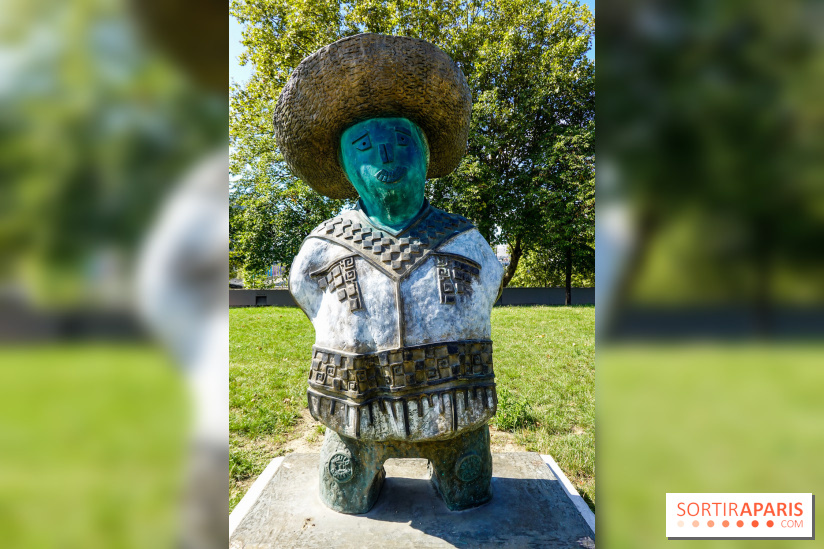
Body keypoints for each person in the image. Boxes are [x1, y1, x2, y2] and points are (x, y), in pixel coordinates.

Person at [275, 33, 503, 512]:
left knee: (470, 491)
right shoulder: (321, 248)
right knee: (344, 495)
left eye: (402, 140)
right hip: (355, 413)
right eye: (365, 144)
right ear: (345, 162)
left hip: (456, 409)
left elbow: (489, 283)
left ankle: (455, 466)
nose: (386, 157)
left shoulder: (466, 241)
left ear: (424, 153)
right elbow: (306, 293)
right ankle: (362, 469)